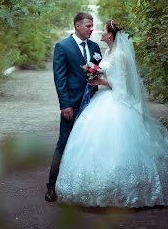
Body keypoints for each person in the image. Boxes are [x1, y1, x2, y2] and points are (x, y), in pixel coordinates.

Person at [55, 20, 168, 207]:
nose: (98, 31)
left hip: (116, 102)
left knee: (119, 144)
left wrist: (100, 81)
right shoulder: (107, 52)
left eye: (103, 30)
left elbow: (122, 86)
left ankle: (129, 190)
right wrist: (95, 75)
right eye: (91, 27)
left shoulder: (121, 55)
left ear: (111, 35)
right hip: (103, 100)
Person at [45, 12, 102, 203]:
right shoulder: (62, 47)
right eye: (88, 26)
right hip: (72, 105)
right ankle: (51, 186)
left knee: (89, 144)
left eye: (92, 26)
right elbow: (59, 78)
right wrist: (65, 105)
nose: (91, 29)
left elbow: (98, 71)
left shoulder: (94, 47)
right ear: (77, 26)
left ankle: (84, 185)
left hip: (93, 104)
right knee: (64, 143)